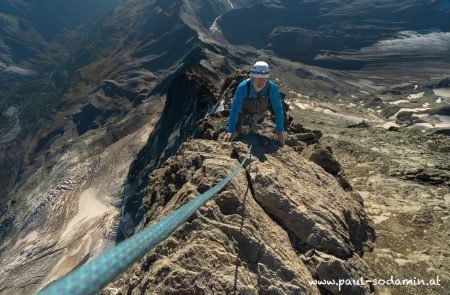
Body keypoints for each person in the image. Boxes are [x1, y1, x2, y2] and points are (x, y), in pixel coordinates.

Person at [223, 61, 285, 145]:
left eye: (264, 79)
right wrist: (231, 130)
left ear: (267, 78)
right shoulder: (243, 87)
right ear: (252, 77)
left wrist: (279, 131)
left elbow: (278, 109)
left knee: (254, 120)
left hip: (259, 114)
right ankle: (240, 126)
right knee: (236, 133)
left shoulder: (271, 87)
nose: (261, 82)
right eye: (258, 78)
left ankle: (253, 121)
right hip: (242, 113)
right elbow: (235, 109)